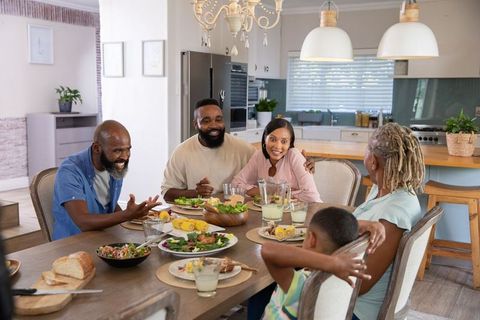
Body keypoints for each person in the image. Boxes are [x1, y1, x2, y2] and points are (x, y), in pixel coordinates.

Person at [161, 99, 314, 201]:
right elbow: (166, 194)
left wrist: (302, 162)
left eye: (219, 119)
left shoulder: (243, 149)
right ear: (196, 124)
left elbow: (268, 165)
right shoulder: (181, 152)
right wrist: (195, 193)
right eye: (206, 121)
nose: (214, 125)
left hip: (235, 213)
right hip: (196, 216)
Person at [352, 122, 425, 320]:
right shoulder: (388, 189)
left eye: (367, 148)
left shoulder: (393, 215)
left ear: (373, 162)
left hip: (355, 310)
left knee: (272, 289)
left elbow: (362, 284)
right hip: (351, 298)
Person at [52, 120, 160, 240]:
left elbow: (108, 205)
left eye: (128, 149)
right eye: (117, 150)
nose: (125, 156)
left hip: (103, 236)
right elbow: (83, 222)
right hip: (72, 243)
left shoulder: (112, 166)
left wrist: (135, 213)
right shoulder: (69, 171)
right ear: (97, 148)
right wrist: (126, 215)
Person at [261, 207, 371, 320]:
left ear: (311, 239)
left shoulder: (303, 284)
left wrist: (332, 263)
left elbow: (267, 250)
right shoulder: (341, 280)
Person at [232, 118, 321, 202]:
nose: (277, 146)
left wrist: (275, 192)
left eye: (284, 141)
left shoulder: (294, 156)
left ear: (290, 143)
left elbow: (312, 196)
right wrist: (264, 191)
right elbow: (235, 185)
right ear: (264, 139)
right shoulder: (259, 155)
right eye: (272, 139)